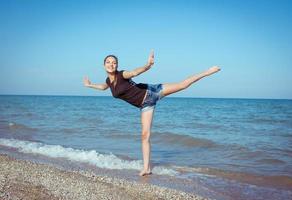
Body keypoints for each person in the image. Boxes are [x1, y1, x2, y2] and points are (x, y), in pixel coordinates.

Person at [83, 50, 221, 176]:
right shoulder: (109, 80)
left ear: (117, 65)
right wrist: (90, 85)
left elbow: (134, 72)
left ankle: (208, 71)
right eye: (108, 62)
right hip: (145, 105)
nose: (111, 64)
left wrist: (147, 65)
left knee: (183, 85)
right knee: (144, 135)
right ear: (104, 65)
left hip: (151, 92)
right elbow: (103, 87)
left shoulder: (122, 74)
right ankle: (147, 168)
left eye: (114, 62)